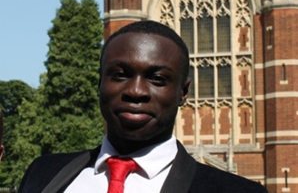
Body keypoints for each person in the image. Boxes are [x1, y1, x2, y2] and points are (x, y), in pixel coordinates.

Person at [18, 20, 268, 193]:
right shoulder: (43, 174)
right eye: (120, 75)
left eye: (157, 79)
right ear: (100, 82)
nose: (135, 91)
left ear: (183, 92)